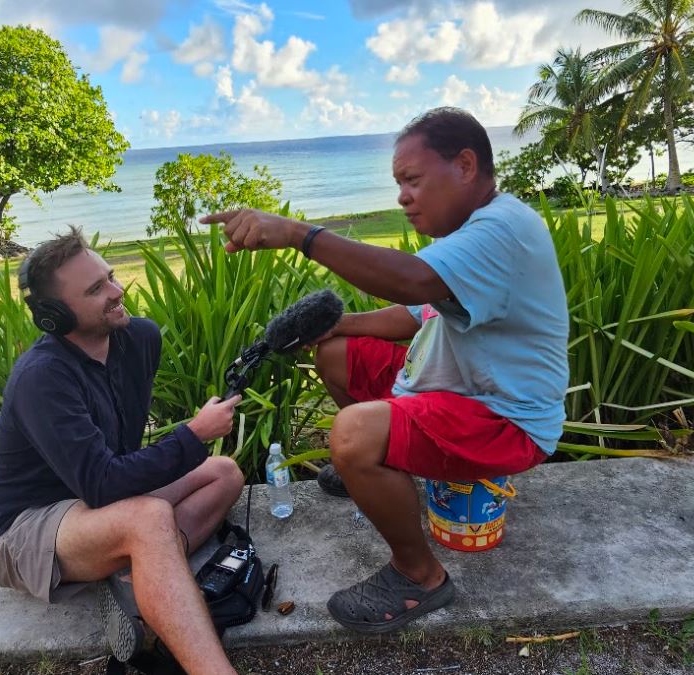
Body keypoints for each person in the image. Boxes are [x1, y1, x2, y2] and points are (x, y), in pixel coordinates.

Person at [201, 107, 568, 634]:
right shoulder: (467, 233)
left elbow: (413, 283)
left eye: (412, 180)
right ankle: (381, 470)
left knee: (352, 434)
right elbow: (417, 312)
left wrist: (301, 235)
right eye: (399, 183)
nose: (402, 197)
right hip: (454, 388)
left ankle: (418, 576)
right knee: (336, 352)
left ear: (465, 165)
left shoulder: (503, 231)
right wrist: (340, 326)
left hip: (502, 419)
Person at [0, 227, 244, 675]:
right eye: (96, 289)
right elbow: (102, 485)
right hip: (23, 530)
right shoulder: (43, 376)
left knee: (225, 473)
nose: (117, 292)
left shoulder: (139, 339)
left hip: (94, 508)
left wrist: (195, 445)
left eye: (110, 277)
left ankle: (142, 577)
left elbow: (116, 469)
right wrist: (192, 434)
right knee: (148, 519)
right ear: (54, 315)